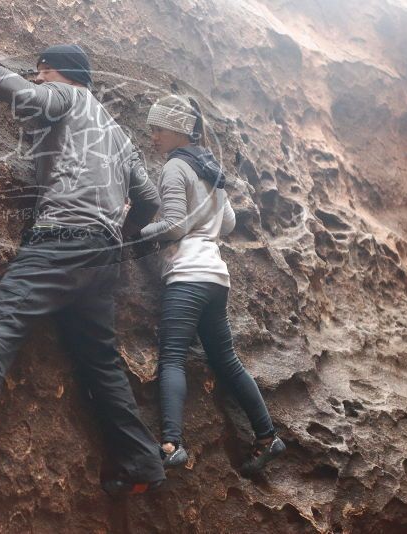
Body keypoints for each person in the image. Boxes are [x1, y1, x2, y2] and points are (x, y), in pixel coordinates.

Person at [0, 38, 167, 495]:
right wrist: (120, 222)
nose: (38, 78)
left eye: (40, 71)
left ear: (53, 70)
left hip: (60, 240)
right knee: (101, 364)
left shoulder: (66, 95)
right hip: (103, 257)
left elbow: (28, 94)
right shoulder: (119, 134)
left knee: (5, 321)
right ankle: (142, 466)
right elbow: (151, 201)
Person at [139, 95, 285, 475]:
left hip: (187, 275)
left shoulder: (175, 168)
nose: (153, 137)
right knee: (226, 361)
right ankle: (268, 437)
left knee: (172, 357)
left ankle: (171, 445)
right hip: (216, 277)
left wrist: (139, 230)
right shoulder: (209, 169)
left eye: (157, 130)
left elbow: (173, 227)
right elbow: (230, 224)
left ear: (176, 130)